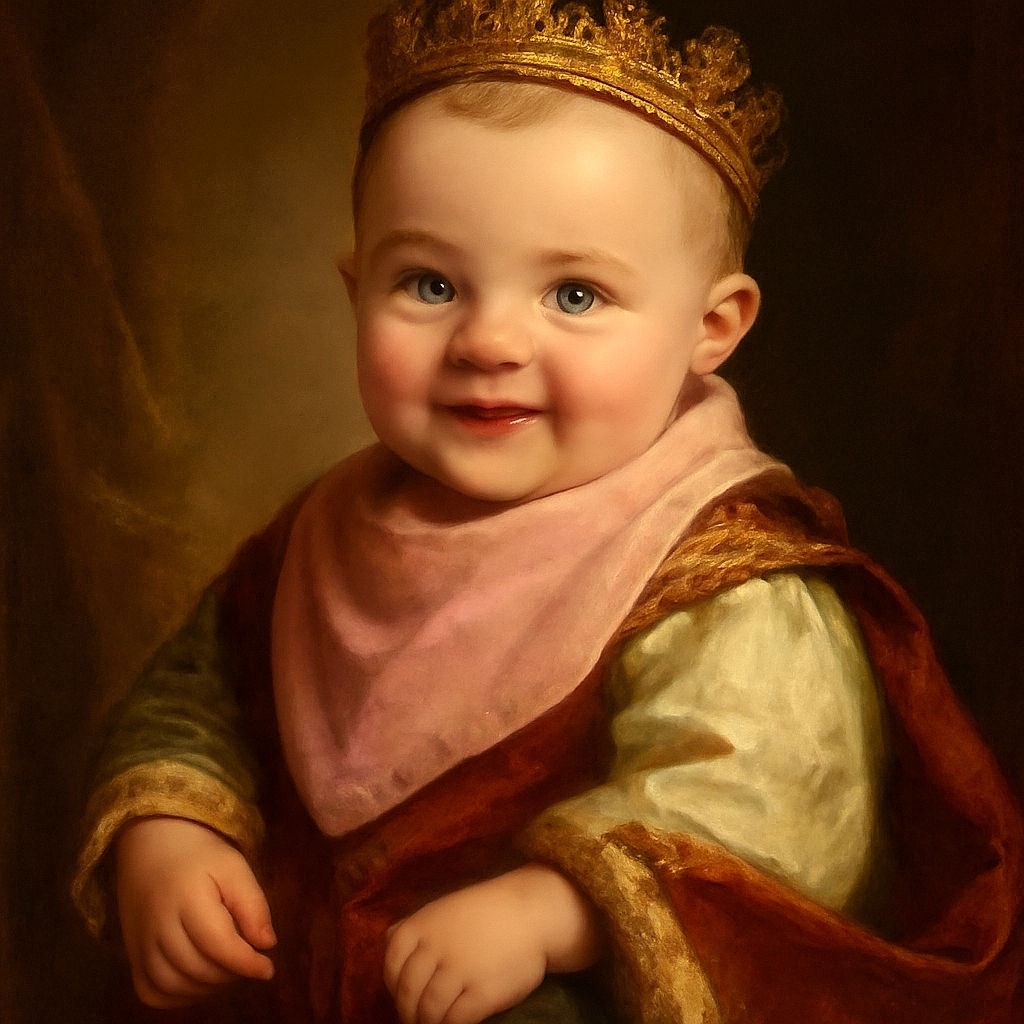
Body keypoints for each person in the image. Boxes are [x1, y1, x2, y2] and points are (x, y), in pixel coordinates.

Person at [72, 2, 1024, 1023]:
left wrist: (551, 908)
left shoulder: (726, 579)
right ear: (355, 290)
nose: (487, 341)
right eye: (429, 283)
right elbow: (195, 692)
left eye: (573, 295)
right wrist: (169, 831)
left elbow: (770, 804)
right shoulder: (325, 529)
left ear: (712, 326)